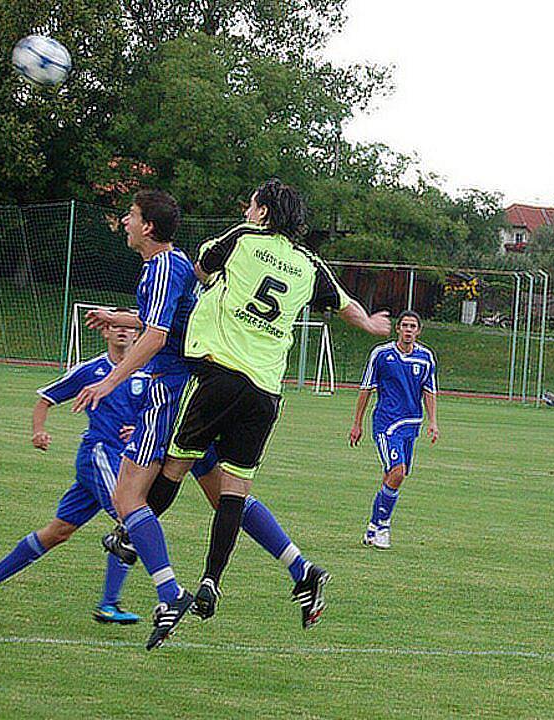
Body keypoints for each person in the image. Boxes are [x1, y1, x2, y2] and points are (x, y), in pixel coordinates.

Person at [157, 178, 391, 627]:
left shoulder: (243, 239)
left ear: (262, 213)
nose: (246, 211)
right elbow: (346, 305)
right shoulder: (308, 264)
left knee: (177, 463)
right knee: (234, 491)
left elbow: (203, 267)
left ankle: (130, 536)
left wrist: (223, 284)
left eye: (250, 205)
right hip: (265, 392)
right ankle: (211, 579)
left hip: (219, 373)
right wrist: (371, 326)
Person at [72, 189, 200, 649]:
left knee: (128, 497)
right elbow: (154, 319)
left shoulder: (165, 265)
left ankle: (171, 592)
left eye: (130, 214)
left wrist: (109, 382)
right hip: (188, 392)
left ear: (147, 226)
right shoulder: (167, 266)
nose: (124, 221)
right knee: (227, 494)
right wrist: (116, 315)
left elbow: (157, 335)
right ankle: (297, 566)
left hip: (168, 391)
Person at [0, 316, 153, 625]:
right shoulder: (90, 370)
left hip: (122, 461)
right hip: (98, 455)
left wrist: (140, 427)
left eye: (130, 326)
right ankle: (109, 604)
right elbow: (44, 399)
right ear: (106, 331)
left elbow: (152, 412)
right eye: (117, 325)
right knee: (130, 519)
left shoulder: (145, 371)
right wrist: (38, 431)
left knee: (58, 532)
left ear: (138, 334)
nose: (123, 331)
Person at [350, 310, 439, 549]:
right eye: (405, 326)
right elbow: (366, 388)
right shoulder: (381, 354)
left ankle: (371, 527)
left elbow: (429, 391)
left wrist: (433, 422)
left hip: (411, 424)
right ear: (398, 329)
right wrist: (357, 423)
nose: (409, 330)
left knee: (392, 476)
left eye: (413, 326)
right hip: (387, 423)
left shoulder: (426, 357)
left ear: (418, 331)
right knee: (397, 472)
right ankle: (383, 527)